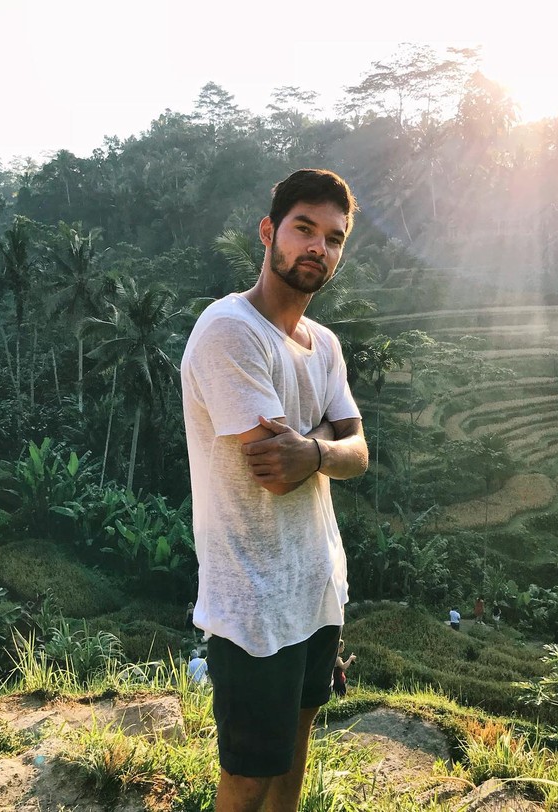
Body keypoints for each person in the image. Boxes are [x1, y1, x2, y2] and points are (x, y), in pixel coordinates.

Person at [181, 168, 368, 812]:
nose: (319, 247)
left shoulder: (327, 346)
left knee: (296, 741)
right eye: (304, 229)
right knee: (250, 772)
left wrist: (312, 446)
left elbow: (357, 454)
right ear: (269, 232)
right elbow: (275, 469)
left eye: (334, 238)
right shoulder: (229, 330)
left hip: (315, 584)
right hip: (252, 598)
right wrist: (327, 443)